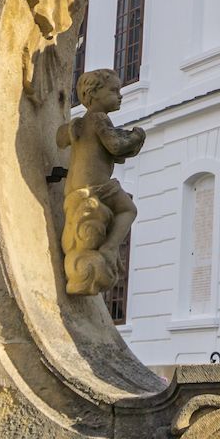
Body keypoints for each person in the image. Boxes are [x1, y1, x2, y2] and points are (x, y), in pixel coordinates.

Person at [57, 69, 145, 295]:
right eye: (114, 90)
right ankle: (109, 248)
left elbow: (60, 137)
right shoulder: (99, 118)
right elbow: (115, 145)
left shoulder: (80, 122)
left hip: (75, 189)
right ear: (93, 94)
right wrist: (137, 136)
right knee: (128, 209)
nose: (120, 95)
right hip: (97, 186)